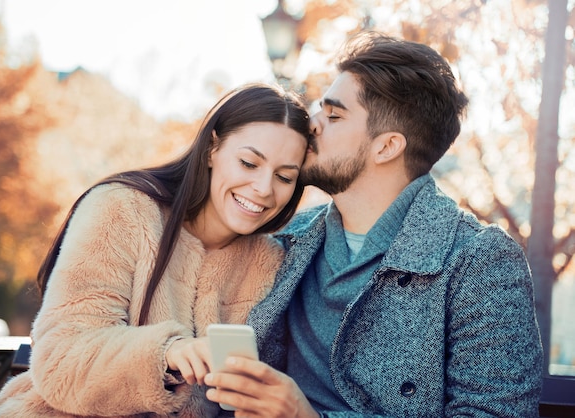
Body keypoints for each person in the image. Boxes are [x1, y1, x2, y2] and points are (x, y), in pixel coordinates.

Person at [203, 32, 544, 417]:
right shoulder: (286, 239)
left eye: (333, 115)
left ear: (387, 147)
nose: (311, 124)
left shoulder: (479, 261)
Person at [0, 83, 311, 417]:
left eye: (284, 177)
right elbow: (61, 360)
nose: (263, 189)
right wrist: (167, 353)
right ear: (212, 147)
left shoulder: (270, 263)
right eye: (248, 163)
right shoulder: (121, 209)